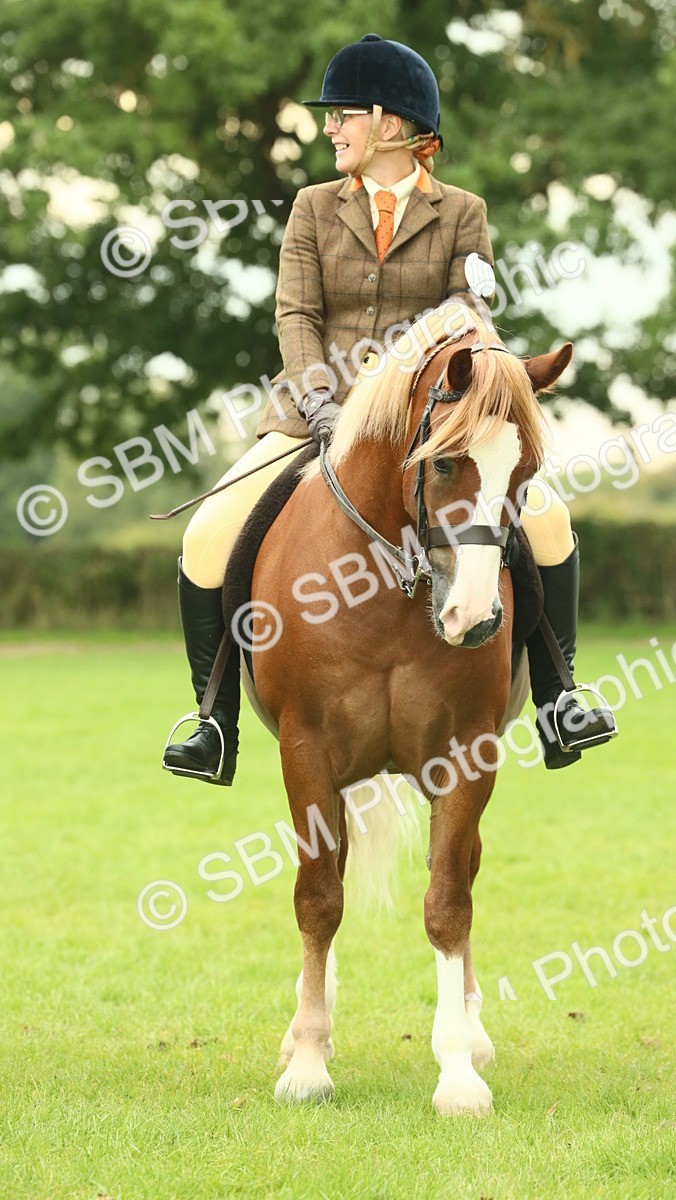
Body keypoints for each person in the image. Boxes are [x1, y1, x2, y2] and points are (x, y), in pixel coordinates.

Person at [162, 33, 616, 787]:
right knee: (208, 534)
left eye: (343, 116)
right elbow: (296, 316)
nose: (330, 129)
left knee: (548, 525)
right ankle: (214, 723)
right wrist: (319, 401)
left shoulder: (463, 212)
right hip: (312, 416)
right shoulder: (311, 208)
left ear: (392, 124)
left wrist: (433, 398)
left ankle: (561, 699)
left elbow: (472, 316)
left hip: (428, 425)